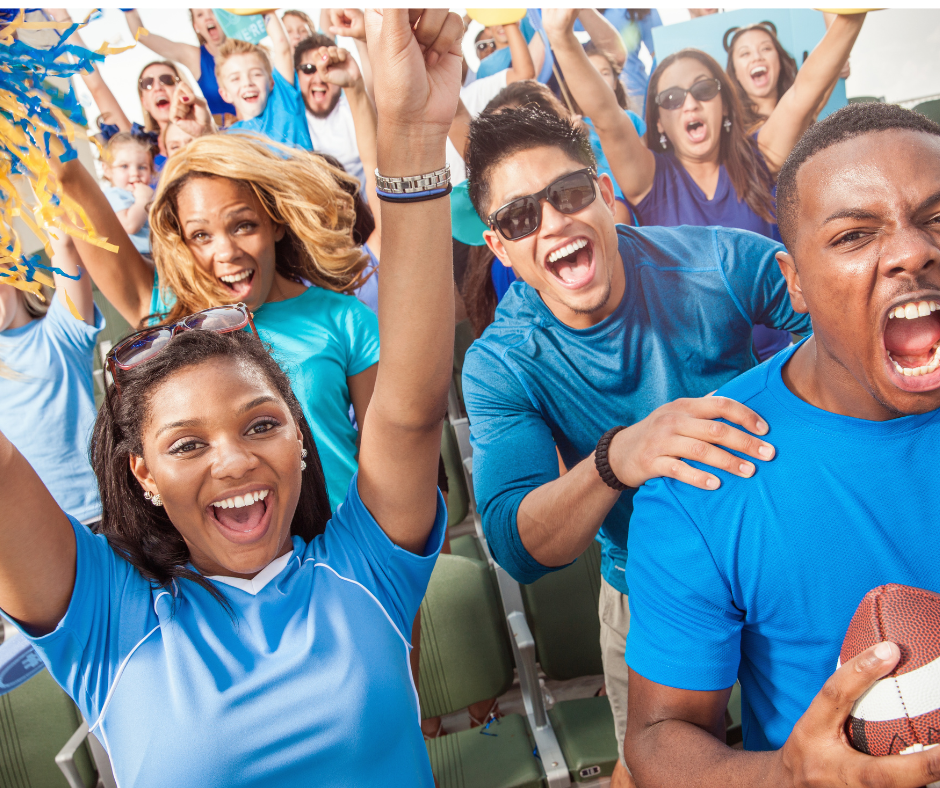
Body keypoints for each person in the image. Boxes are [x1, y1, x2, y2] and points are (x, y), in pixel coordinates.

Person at [1, 9, 461, 787]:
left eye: (261, 423)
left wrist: (414, 134)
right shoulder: (107, 623)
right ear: (140, 471)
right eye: (186, 444)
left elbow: (410, 408)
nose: (235, 459)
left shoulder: (366, 572)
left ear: (300, 439)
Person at [461, 106, 811, 788]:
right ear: (498, 247)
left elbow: (839, 315)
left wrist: (767, 400)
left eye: (566, 194)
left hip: (777, 554)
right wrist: (617, 457)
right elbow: (516, 544)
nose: (554, 223)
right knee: (654, 768)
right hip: (644, 586)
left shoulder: (717, 259)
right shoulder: (503, 360)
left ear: (602, 190)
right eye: (520, 218)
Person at [622, 102, 940, 788]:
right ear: (794, 282)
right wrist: (789, 777)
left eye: (936, 219)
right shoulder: (707, 475)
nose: (915, 250)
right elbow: (656, 739)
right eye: (856, 234)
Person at [50, 133, 377, 516]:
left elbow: (395, 460)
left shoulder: (345, 320)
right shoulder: (167, 315)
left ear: (275, 223)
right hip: (234, 561)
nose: (226, 252)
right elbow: (69, 179)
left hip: (349, 549)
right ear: (183, 243)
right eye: (201, 235)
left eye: (243, 225)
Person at [544, 9, 863, 360]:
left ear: (724, 104)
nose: (690, 103)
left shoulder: (761, 157)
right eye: (672, 99)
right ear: (660, 122)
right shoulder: (650, 180)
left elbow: (805, 90)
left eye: (703, 89)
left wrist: (852, 14)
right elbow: (607, 116)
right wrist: (561, 37)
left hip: (786, 362)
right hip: (697, 381)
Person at [0, 237, 102, 529]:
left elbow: (64, 245)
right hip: (30, 526)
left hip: (98, 511)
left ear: (12, 270)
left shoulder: (61, 332)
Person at [725, 16, 851, 134]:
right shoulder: (732, 132)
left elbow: (844, 29)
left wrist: (838, 62)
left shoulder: (805, 110)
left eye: (766, 48)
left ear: (779, 61)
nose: (757, 57)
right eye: (745, 53)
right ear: (735, 71)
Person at [125, 8, 237, 125]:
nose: (208, 17)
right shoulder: (196, 57)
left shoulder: (251, 46)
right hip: (230, 137)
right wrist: (129, 10)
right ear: (196, 26)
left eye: (212, 11)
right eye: (200, 15)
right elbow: (143, 36)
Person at [296, 33, 375, 194]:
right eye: (308, 69)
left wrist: (361, 39)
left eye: (328, 68)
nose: (319, 78)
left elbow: (375, 163)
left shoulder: (355, 112)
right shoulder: (290, 117)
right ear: (296, 74)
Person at [220, 15, 312, 151]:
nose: (247, 83)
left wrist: (265, 11)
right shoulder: (231, 139)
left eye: (256, 74)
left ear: (271, 82)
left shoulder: (283, 98)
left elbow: (282, 46)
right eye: (235, 78)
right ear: (225, 94)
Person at [100, 132, 154, 256]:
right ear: (107, 170)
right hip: (136, 256)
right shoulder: (114, 195)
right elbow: (130, 225)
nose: (135, 173)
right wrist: (143, 200)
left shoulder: (144, 194)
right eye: (124, 166)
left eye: (142, 167)